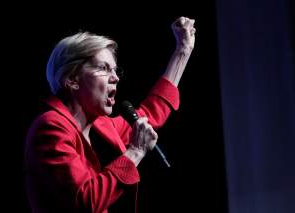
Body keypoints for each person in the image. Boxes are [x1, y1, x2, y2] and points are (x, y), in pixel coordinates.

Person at [24, 16, 196, 213]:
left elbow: (150, 112)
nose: (115, 78)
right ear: (72, 79)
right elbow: (85, 202)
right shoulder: (50, 126)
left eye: (115, 70)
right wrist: (136, 151)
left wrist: (183, 51)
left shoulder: (102, 125)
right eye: (103, 68)